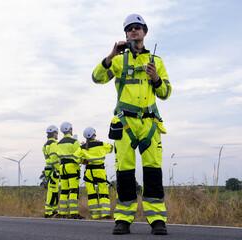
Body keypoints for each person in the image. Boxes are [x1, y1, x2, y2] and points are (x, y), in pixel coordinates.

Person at [92, 14, 172, 235]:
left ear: (145, 32)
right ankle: (123, 219)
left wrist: (156, 78)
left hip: (150, 123)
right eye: (129, 29)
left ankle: (157, 219)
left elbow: (165, 93)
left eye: (137, 28)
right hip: (125, 122)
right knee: (124, 172)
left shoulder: (157, 62)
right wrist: (111, 55)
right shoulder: (118, 61)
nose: (133, 31)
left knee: (153, 172)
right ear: (125, 34)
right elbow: (97, 78)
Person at [73, 127, 113, 220]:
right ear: (93, 135)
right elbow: (112, 148)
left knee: (91, 194)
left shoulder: (82, 147)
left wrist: (84, 162)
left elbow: (75, 157)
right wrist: (98, 141)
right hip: (100, 171)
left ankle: (95, 215)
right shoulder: (101, 144)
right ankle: (105, 214)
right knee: (103, 192)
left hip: (89, 172)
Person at [57, 122, 84, 219]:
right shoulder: (74, 142)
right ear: (69, 130)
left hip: (62, 167)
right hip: (72, 167)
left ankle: (63, 212)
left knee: (64, 191)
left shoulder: (58, 143)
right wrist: (83, 161)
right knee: (73, 190)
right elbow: (78, 156)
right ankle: (74, 213)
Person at [42, 125, 60, 218]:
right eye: (57, 133)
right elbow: (54, 158)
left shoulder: (45, 145)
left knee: (54, 190)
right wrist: (58, 168)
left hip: (48, 169)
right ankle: (48, 212)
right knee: (52, 190)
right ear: (54, 133)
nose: (57, 135)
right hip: (53, 169)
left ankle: (54, 210)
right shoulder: (54, 144)